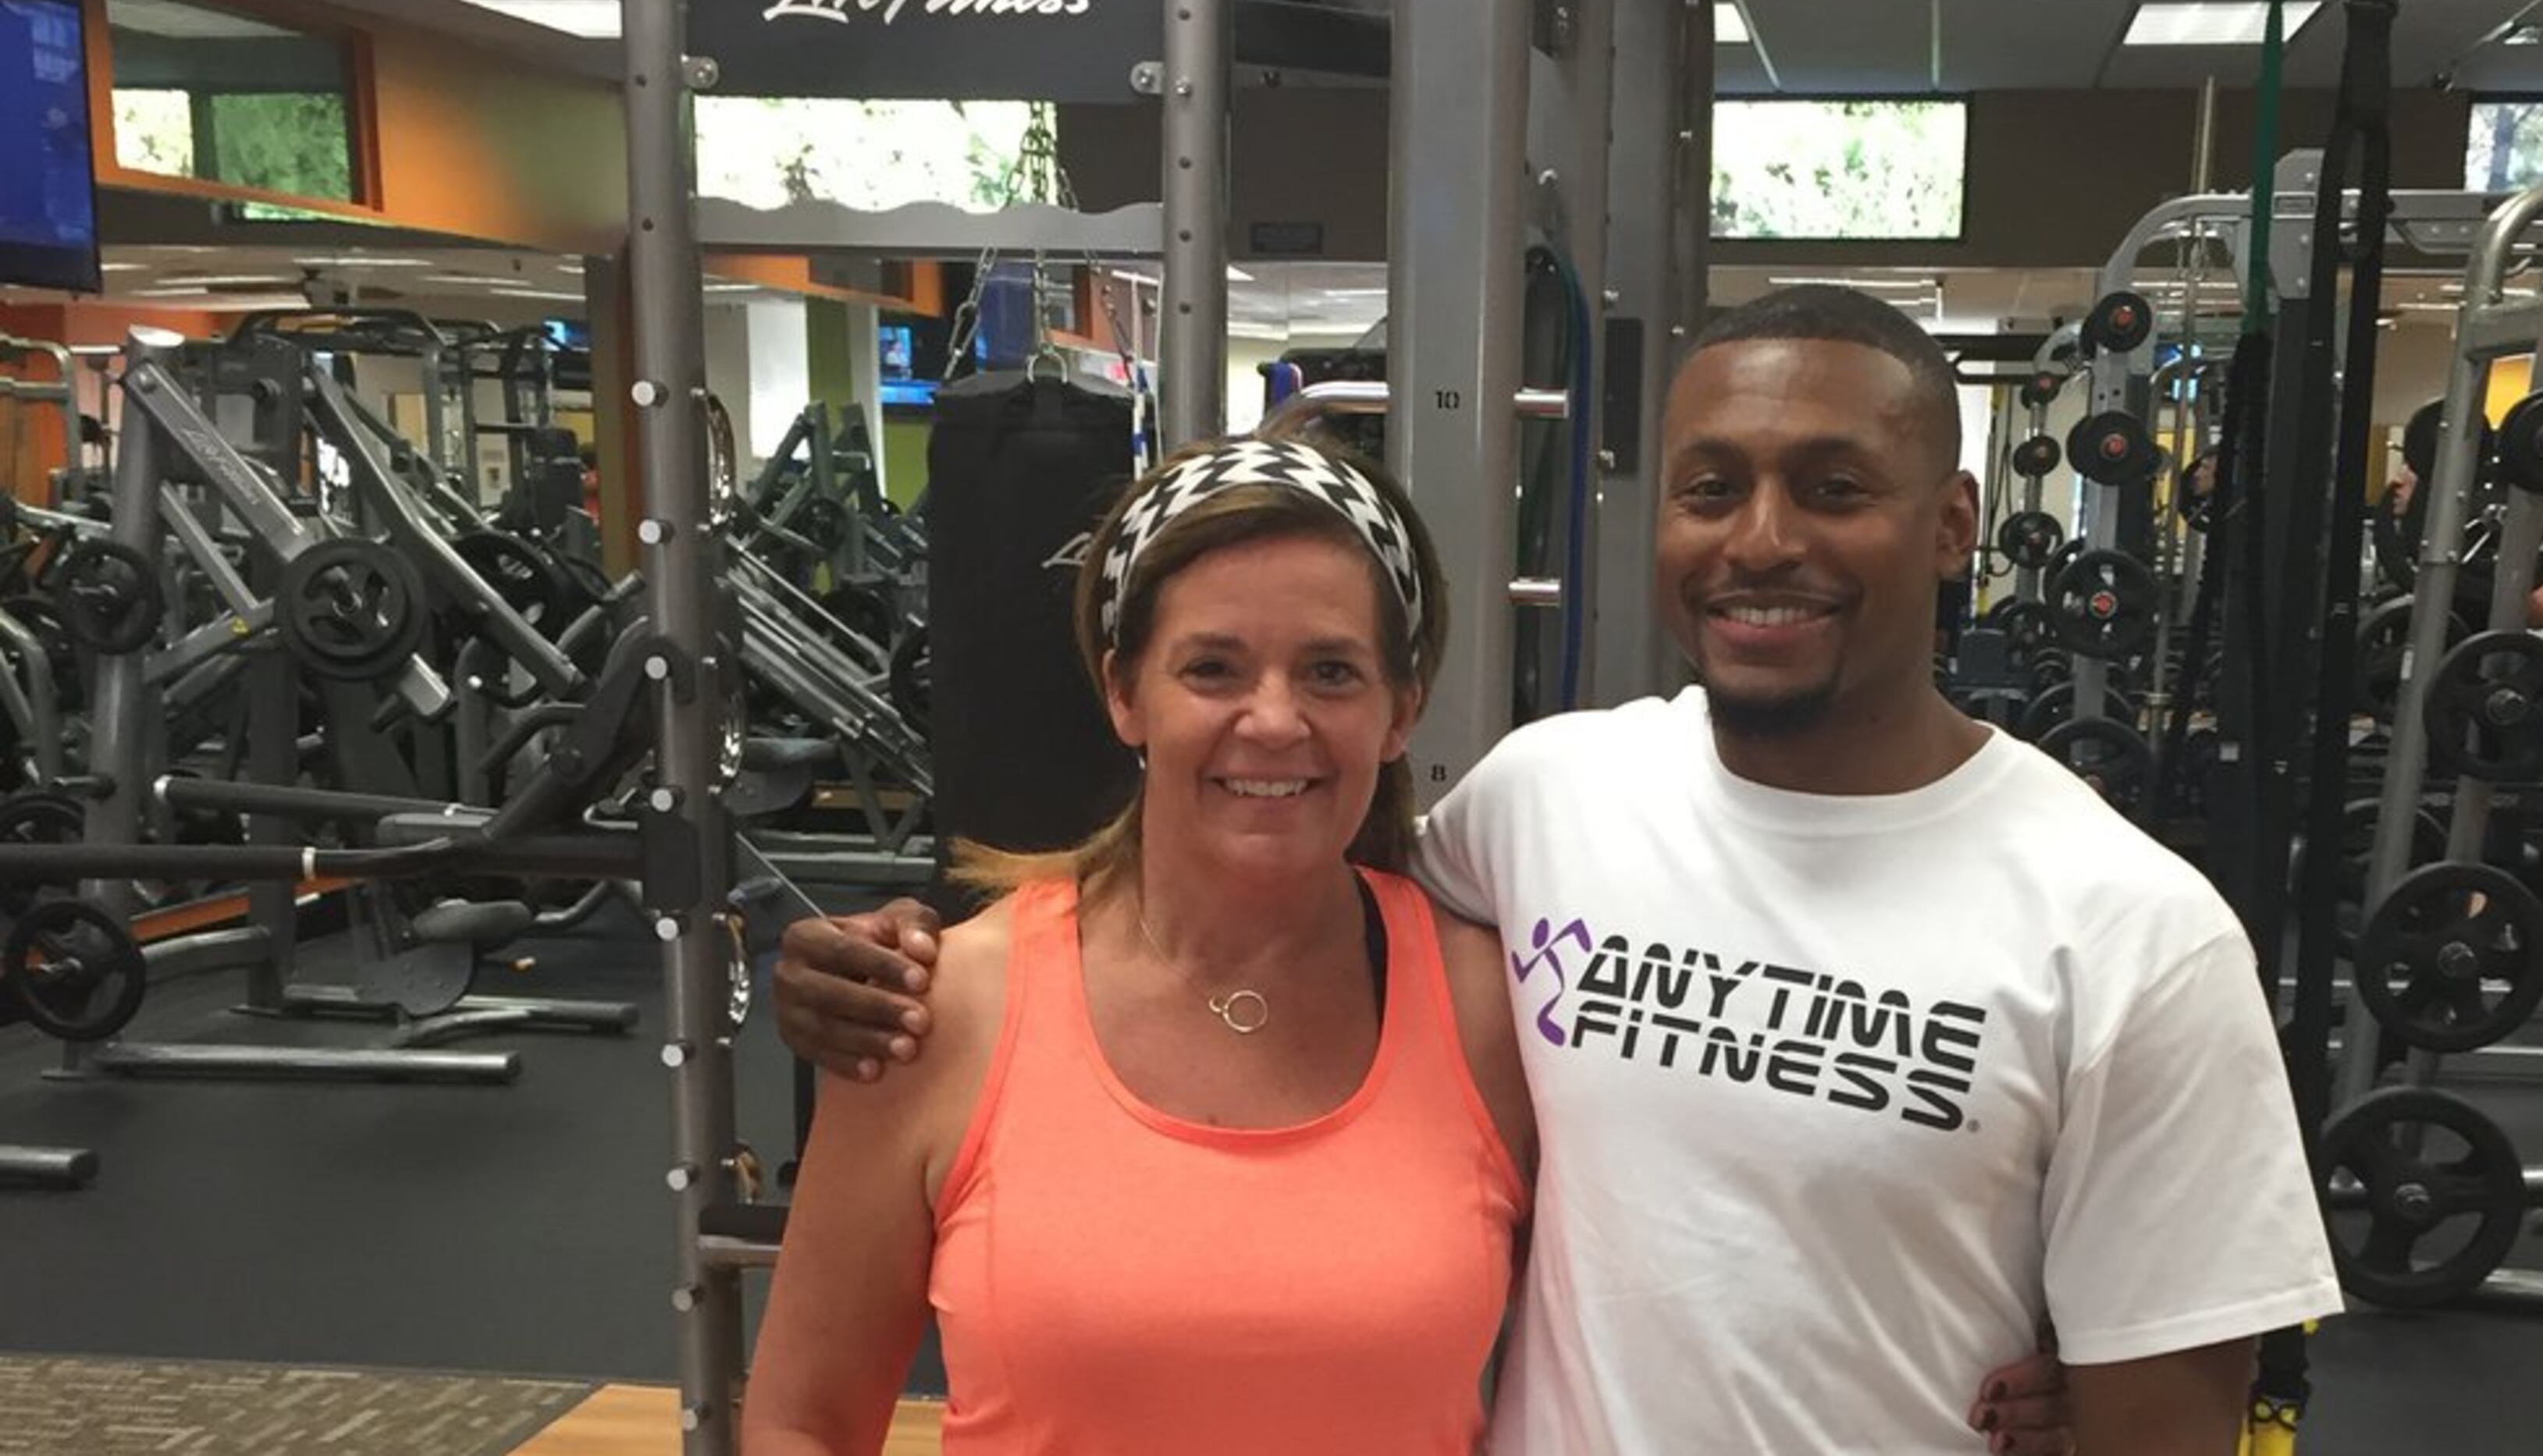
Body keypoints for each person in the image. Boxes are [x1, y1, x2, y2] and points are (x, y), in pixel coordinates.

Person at [783, 286, 2331, 1451]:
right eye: (1713, 487)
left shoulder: (2134, 931)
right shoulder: (1551, 805)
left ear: (1951, 526)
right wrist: (863, 969)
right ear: (1126, 694)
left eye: (1835, 488)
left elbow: (2173, 1404)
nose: (1762, 538)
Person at [743, 437, 1537, 1454]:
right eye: (1212, 669)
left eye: (1332, 672)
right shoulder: (940, 1010)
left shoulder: (1493, 1008)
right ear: (1126, 693)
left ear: (1401, 710)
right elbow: (801, 1420)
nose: (1274, 720)